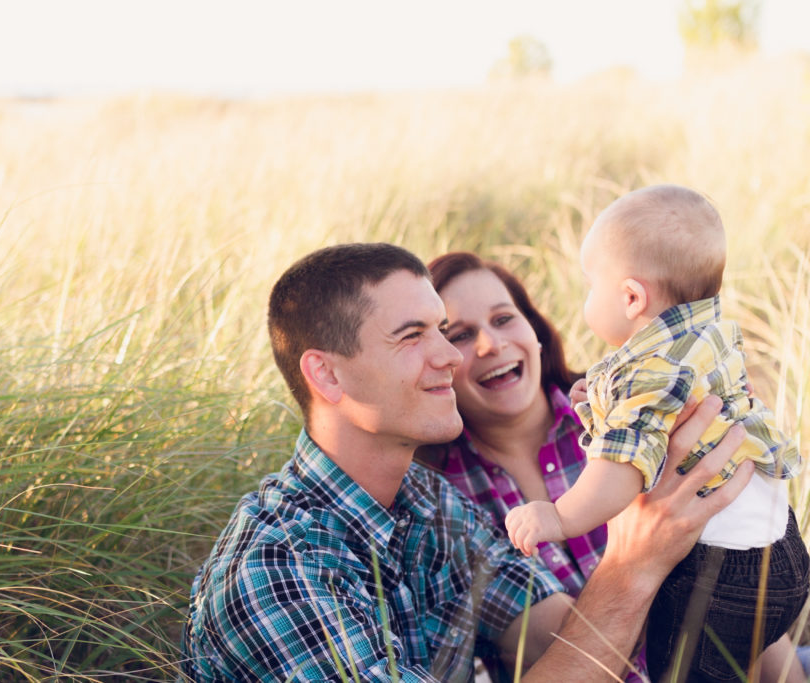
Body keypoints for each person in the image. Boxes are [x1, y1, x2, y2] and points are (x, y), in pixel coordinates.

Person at [178, 241, 753, 682]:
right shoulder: (276, 571)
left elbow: (565, 640)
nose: (451, 357)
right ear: (327, 375)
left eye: (439, 330)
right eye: (412, 337)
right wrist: (632, 563)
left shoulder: (434, 508)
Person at [504, 185, 810, 682]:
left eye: (590, 286)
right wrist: (603, 408)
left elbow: (621, 470)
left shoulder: (649, 372)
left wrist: (558, 516)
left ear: (630, 297)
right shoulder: (706, 337)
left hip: (721, 574)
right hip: (785, 553)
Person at [414, 250, 648, 682]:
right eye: (461, 336)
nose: (491, 345)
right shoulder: (437, 496)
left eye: (504, 319)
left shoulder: (625, 415)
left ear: (535, 331)